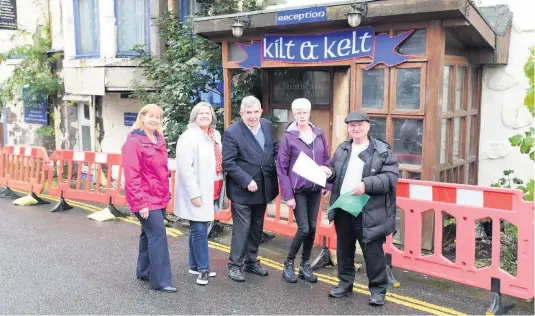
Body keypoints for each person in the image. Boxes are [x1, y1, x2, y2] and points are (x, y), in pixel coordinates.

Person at [326, 111, 399, 306]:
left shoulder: (382, 151)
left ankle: (378, 290)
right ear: (348, 128)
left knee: (372, 251)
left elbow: (390, 178)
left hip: (370, 208)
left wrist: (366, 184)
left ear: (368, 126)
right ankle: (345, 283)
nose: (356, 129)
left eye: (360, 125)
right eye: (352, 126)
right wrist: (328, 172)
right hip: (344, 206)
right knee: (344, 249)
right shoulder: (343, 149)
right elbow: (335, 171)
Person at [222, 95, 279, 282]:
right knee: (242, 228)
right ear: (241, 113)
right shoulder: (233, 132)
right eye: (248, 113)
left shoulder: (267, 125)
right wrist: (246, 181)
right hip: (242, 190)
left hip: (264, 187)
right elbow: (228, 163)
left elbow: (274, 148)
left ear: (261, 111)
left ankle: (251, 261)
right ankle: (235, 265)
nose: (253, 116)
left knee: (257, 227)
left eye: (256, 112)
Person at [121, 103, 176, 293]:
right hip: (145, 200)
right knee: (159, 237)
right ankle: (161, 281)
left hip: (158, 198)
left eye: (158, 117)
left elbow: (161, 171)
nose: (154, 120)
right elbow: (132, 175)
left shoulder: (159, 139)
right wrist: (140, 203)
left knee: (148, 235)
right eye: (150, 116)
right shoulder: (133, 142)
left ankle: (144, 271)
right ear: (142, 117)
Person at [276, 98, 332, 283]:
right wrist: (288, 196)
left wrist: (328, 184)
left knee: (313, 228)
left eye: (304, 112)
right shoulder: (289, 136)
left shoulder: (319, 133)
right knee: (304, 228)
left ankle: (305, 265)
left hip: (315, 188)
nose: (301, 115)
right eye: (298, 112)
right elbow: (282, 168)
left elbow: (326, 159)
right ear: (293, 113)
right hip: (298, 190)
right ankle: (289, 263)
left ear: (309, 112)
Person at [174, 102, 224, 286]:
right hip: (197, 189)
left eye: (208, 113)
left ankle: (194, 265)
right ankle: (203, 269)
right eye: (201, 113)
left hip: (213, 186)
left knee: (199, 226)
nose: (205, 116)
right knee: (200, 229)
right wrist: (194, 193)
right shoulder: (188, 137)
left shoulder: (215, 134)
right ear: (194, 116)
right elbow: (185, 169)